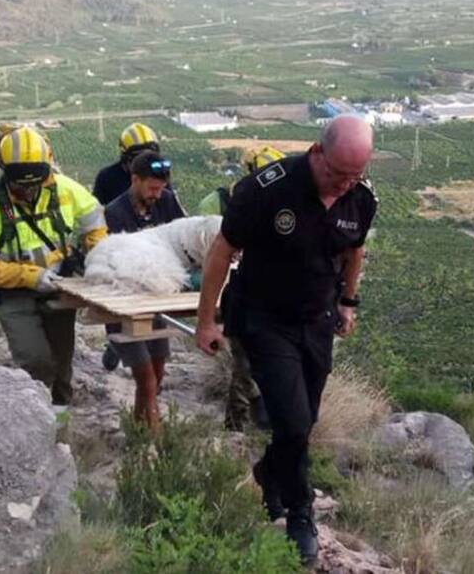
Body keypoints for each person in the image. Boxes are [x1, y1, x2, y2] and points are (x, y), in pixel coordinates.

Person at [194, 115, 377, 565]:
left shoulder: (361, 198)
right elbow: (221, 251)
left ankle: (268, 472)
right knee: (292, 423)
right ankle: (300, 513)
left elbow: (355, 251)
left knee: (304, 419)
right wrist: (205, 321)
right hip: (263, 318)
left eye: (353, 176)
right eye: (336, 174)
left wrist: (349, 303)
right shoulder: (265, 190)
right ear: (317, 152)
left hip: (316, 320)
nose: (343, 184)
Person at [0, 125, 107, 405]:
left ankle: (61, 423)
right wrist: (29, 276)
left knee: (62, 363)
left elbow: (95, 220)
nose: (28, 190)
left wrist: (97, 254)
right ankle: (36, 415)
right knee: (35, 361)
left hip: (57, 287)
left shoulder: (64, 189)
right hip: (14, 294)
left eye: (35, 182)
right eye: (20, 183)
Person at [196, 144, 286, 431]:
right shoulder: (224, 204)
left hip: (270, 297)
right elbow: (209, 250)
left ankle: (261, 424)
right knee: (245, 367)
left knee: (265, 367)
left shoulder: (281, 205)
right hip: (240, 294)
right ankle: (236, 428)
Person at [103, 151, 187, 430]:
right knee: (146, 378)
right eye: (152, 188)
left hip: (157, 300)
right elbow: (120, 261)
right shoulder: (114, 213)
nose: (157, 194)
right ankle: (153, 431)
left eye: (161, 188)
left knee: (158, 370)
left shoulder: (167, 201)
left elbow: (182, 234)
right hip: (124, 305)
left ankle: (140, 427)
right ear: (134, 179)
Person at [93, 122, 172, 371]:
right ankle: (117, 343)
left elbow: (171, 215)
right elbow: (97, 218)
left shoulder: (159, 182)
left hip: (152, 252)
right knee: (121, 312)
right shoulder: (108, 179)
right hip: (119, 248)